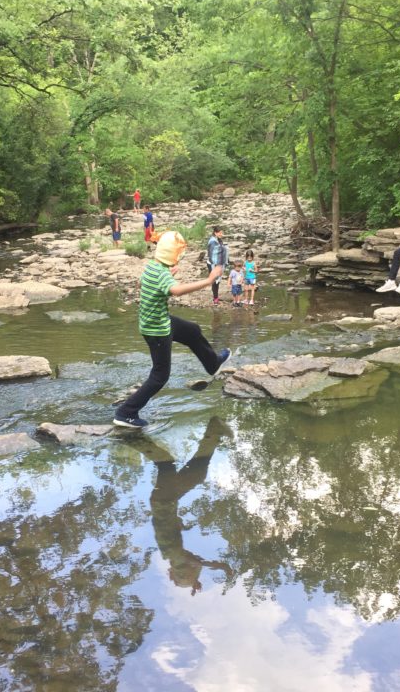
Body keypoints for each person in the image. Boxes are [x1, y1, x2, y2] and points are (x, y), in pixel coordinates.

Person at [113, 231, 231, 429]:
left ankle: (213, 364)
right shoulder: (161, 273)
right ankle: (126, 412)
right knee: (160, 375)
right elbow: (175, 291)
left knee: (192, 330)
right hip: (157, 330)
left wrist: (168, 274)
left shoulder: (153, 266)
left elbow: (143, 282)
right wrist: (209, 280)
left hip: (155, 321)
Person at [125, 418, 235, 594]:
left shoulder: (171, 553)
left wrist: (219, 566)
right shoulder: (171, 552)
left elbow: (192, 561)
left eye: (186, 570)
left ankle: (130, 437)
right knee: (180, 469)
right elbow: (191, 559)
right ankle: (214, 431)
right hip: (165, 502)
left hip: (165, 501)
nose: (192, 563)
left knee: (170, 465)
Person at [205, 226, 227, 306]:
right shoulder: (212, 242)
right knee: (215, 280)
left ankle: (215, 296)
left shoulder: (219, 240)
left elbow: (220, 250)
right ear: (215, 233)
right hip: (212, 264)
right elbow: (212, 254)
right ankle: (215, 298)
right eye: (220, 232)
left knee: (217, 280)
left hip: (218, 263)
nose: (222, 234)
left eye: (222, 232)